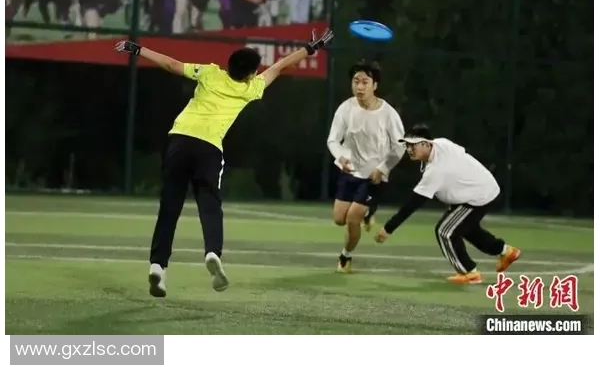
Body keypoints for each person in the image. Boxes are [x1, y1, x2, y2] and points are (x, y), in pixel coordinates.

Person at [114, 27, 334, 297]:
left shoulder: (209, 73)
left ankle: (158, 267)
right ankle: (212, 253)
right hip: (208, 149)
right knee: (210, 205)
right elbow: (278, 67)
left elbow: (171, 64)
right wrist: (310, 49)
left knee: (169, 206)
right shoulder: (250, 89)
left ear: (228, 64)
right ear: (251, 74)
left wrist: (137, 49)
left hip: (179, 141)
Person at [374, 124, 521, 284]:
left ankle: (470, 273)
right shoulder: (441, 143)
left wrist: (388, 228)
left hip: (478, 195)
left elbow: (413, 204)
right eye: (407, 145)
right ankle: (506, 251)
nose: (409, 149)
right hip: (483, 188)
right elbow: (462, 152)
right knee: (466, 228)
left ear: (426, 144)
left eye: (413, 145)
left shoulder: (435, 171)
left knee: (445, 231)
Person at [326, 59, 406, 273]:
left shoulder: (388, 114)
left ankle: (345, 256)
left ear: (375, 85)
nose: (359, 87)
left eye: (365, 82)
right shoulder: (346, 108)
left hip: (373, 176)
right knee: (339, 219)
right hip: (350, 172)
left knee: (353, 218)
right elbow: (333, 140)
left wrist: (383, 168)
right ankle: (368, 214)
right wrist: (340, 157)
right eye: (356, 81)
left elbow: (399, 146)